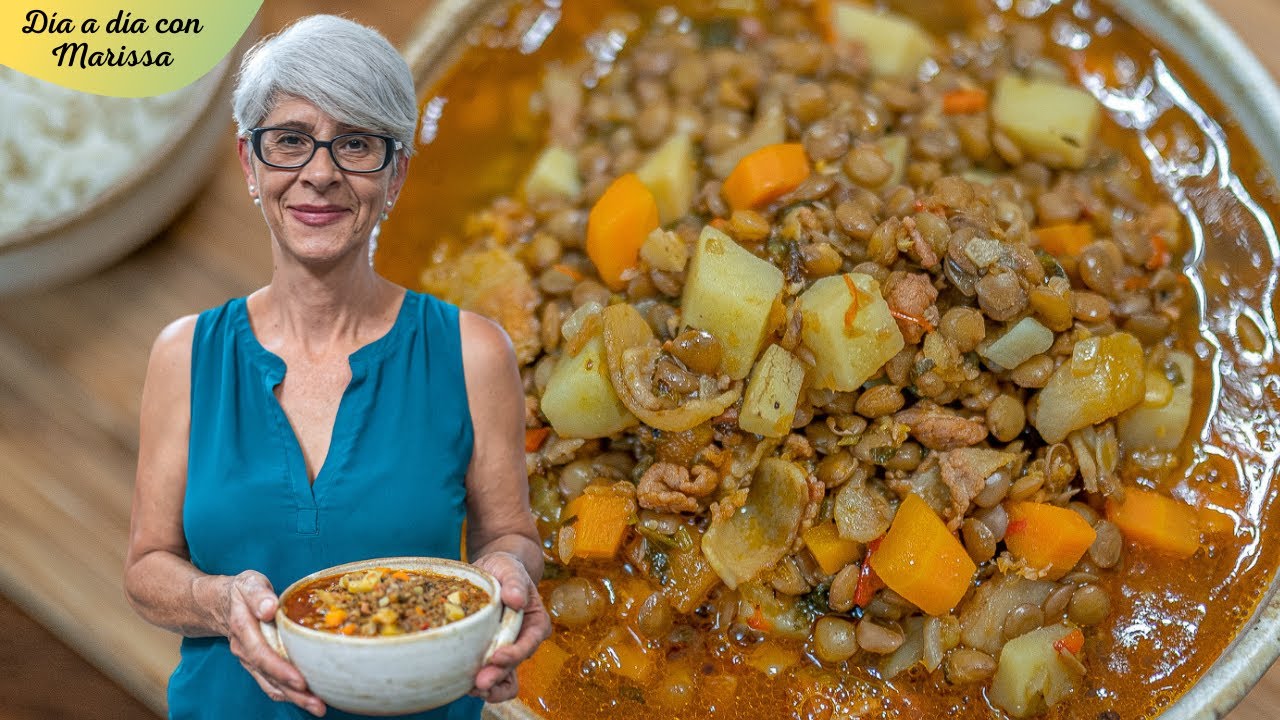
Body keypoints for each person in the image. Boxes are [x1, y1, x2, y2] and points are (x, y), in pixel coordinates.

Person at [124, 15, 550, 719]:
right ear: (250, 164)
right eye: (290, 141)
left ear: (396, 173)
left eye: (355, 144)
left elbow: (510, 538)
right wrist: (221, 602)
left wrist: (508, 578)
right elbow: (147, 572)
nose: (319, 173)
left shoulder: (472, 351)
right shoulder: (184, 354)